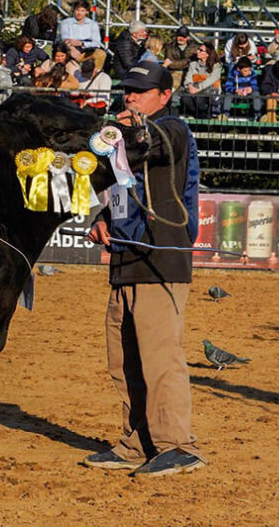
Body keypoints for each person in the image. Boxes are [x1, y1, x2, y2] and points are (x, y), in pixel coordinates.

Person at [85, 60, 204, 478]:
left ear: (165, 96)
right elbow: (112, 191)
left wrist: (128, 129)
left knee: (160, 357)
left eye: (140, 90)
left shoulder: (173, 130)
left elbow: (152, 140)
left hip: (161, 259)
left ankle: (177, 445)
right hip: (125, 259)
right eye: (127, 90)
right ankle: (137, 442)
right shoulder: (121, 141)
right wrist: (99, 220)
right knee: (124, 360)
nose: (130, 96)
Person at [58, 0, 106, 70]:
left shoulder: (93, 24)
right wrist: (71, 48)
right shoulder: (66, 23)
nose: (79, 13)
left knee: (101, 53)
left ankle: (95, 75)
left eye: (82, 11)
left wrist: (82, 43)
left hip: (87, 51)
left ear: (87, 12)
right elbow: (64, 39)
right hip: (69, 50)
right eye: (77, 10)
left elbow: (97, 43)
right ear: (74, 10)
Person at [181, 42, 221, 118]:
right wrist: (189, 86)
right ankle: (197, 117)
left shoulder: (216, 66)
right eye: (198, 49)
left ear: (207, 54)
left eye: (201, 50)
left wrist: (198, 88)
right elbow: (188, 76)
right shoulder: (193, 64)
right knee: (185, 98)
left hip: (210, 90)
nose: (197, 51)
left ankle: (202, 119)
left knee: (199, 98)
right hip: (194, 88)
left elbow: (211, 80)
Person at [163, 26, 198, 91]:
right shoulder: (170, 47)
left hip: (190, 75)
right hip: (174, 75)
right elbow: (170, 64)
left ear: (188, 37)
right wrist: (188, 61)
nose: (181, 38)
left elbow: (195, 63)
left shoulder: (195, 47)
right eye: (179, 36)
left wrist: (175, 63)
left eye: (184, 36)